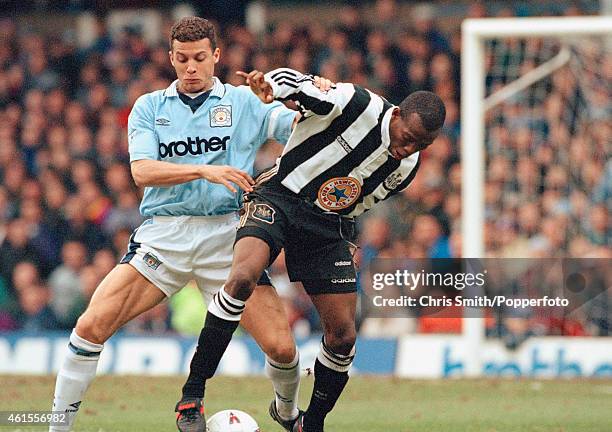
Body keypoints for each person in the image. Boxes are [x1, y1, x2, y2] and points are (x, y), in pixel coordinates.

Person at [50, 18, 331, 432]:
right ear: (170, 58)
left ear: (216, 56)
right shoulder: (149, 107)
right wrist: (204, 170)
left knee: (282, 348)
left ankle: (287, 415)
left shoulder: (243, 101)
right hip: (167, 234)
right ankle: (56, 427)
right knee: (90, 326)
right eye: (182, 59)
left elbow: (297, 131)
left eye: (200, 58)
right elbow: (142, 171)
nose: (191, 67)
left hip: (229, 237)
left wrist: (308, 97)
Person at [177, 67, 446, 432]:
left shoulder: (406, 167)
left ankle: (311, 423)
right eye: (409, 137)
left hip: (326, 227)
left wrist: (347, 237)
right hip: (281, 196)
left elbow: (357, 202)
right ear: (396, 114)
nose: (409, 148)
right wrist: (270, 87)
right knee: (241, 278)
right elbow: (299, 83)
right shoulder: (357, 103)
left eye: (421, 145)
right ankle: (192, 395)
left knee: (343, 336)